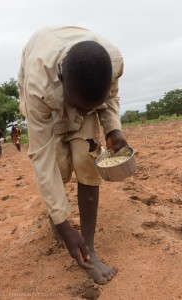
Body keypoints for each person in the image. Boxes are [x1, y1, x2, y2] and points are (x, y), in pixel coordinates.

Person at [18, 26, 128, 285]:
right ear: (61, 78)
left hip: (81, 91)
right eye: (80, 106)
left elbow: (110, 98)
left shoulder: (114, 61)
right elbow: (41, 157)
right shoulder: (38, 85)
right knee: (59, 168)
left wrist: (113, 128)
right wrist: (65, 225)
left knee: (87, 162)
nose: (81, 112)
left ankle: (88, 249)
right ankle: (57, 222)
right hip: (49, 102)